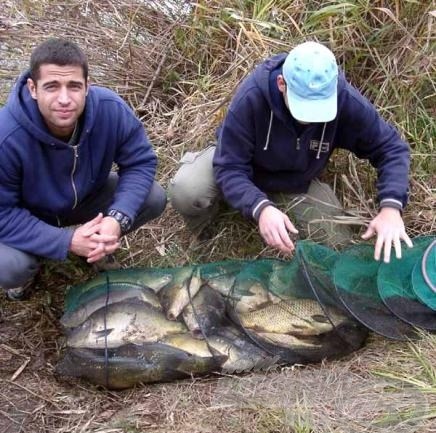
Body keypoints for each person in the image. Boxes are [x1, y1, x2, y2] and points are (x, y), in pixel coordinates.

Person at [169, 41, 413, 263]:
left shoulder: (344, 99)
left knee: (337, 244)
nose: (310, 120)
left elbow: (391, 148)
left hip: (294, 180)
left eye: (319, 110)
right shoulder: (252, 97)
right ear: (281, 84)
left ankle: (267, 204)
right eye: (304, 108)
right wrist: (261, 208)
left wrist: (391, 208)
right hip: (244, 165)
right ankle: (206, 232)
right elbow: (229, 166)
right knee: (187, 189)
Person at [0, 38, 166, 300]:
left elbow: (140, 162)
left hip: (86, 196)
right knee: (11, 267)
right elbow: (2, 214)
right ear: (33, 88)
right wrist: (65, 241)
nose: (64, 99)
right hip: (29, 213)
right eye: (52, 87)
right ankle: (32, 266)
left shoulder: (110, 110)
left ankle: (98, 244)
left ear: (88, 86)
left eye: (74, 86)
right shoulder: (6, 136)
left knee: (152, 197)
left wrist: (116, 218)